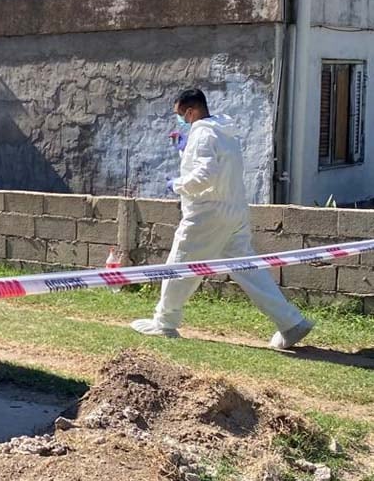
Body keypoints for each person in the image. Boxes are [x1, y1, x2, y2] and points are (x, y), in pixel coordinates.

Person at [131, 89, 313, 349]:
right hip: (234, 210)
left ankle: (164, 322)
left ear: (191, 111)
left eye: (180, 115)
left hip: (207, 214)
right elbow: (214, 164)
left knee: (180, 263)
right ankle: (291, 323)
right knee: (248, 269)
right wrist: (184, 150)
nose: (179, 121)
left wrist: (177, 184)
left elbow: (205, 176)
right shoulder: (223, 131)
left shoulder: (203, 133)